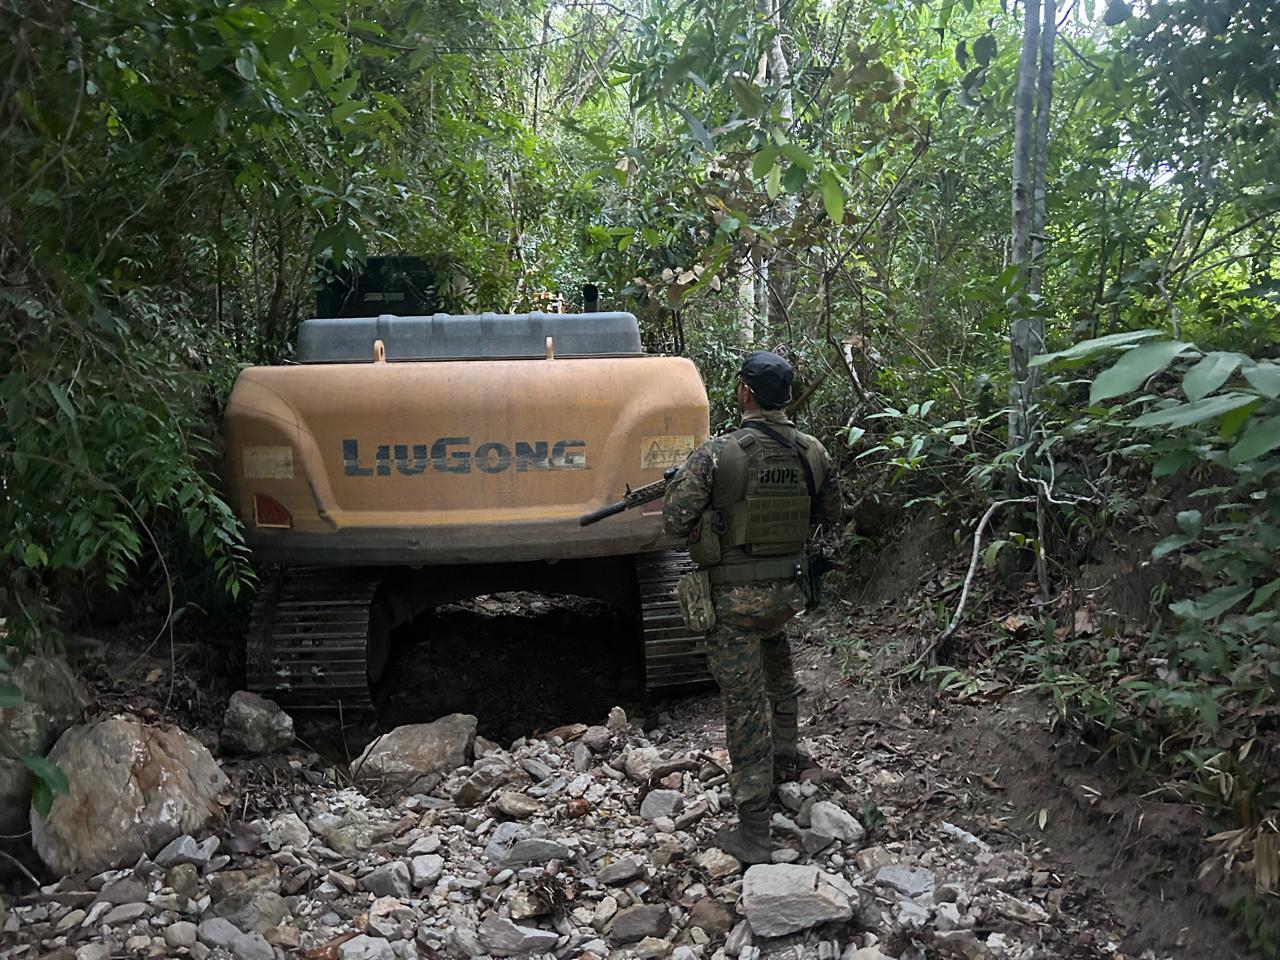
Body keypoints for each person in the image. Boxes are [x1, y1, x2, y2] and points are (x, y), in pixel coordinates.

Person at [662, 350, 842, 864]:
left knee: (743, 708)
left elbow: (674, 523)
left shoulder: (718, 453)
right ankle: (788, 753)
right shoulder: (812, 451)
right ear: (785, 396)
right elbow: (832, 513)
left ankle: (754, 830)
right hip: (788, 594)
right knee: (776, 654)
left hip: (734, 602)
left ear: (744, 392)